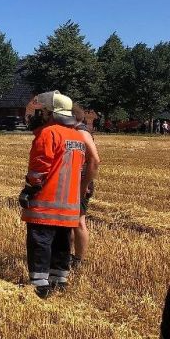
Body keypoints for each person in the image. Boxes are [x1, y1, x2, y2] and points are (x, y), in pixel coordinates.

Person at [19, 91, 97, 298]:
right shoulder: (76, 136)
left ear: (49, 113)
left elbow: (40, 167)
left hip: (46, 202)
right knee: (62, 243)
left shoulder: (48, 133)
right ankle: (59, 281)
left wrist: (29, 189)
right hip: (69, 205)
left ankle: (39, 285)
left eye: (41, 111)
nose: (37, 116)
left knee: (40, 242)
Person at [70, 104, 100, 268]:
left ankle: (78, 260)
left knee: (79, 221)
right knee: (69, 221)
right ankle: (66, 255)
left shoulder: (81, 132)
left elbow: (94, 161)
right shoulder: (74, 132)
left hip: (81, 183)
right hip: (73, 182)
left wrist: (84, 186)